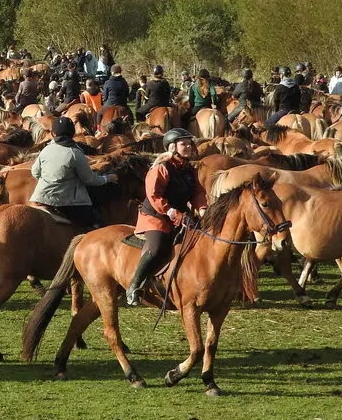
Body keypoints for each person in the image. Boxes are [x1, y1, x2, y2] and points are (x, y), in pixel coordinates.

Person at [124, 128, 207, 305]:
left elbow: (198, 192)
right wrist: (173, 213)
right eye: (183, 144)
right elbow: (154, 196)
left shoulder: (189, 169)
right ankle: (135, 286)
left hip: (180, 217)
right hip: (156, 218)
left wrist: (202, 209)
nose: (188, 147)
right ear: (172, 147)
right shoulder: (161, 168)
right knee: (156, 248)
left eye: (189, 143)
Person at [28, 117, 116, 229]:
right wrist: (108, 178)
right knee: (97, 224)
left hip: (39, 198)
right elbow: (90, 180)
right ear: (73, 133)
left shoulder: (46, 150)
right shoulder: (75, 153)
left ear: (53, 133)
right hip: (65, 202)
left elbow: (35, 172)